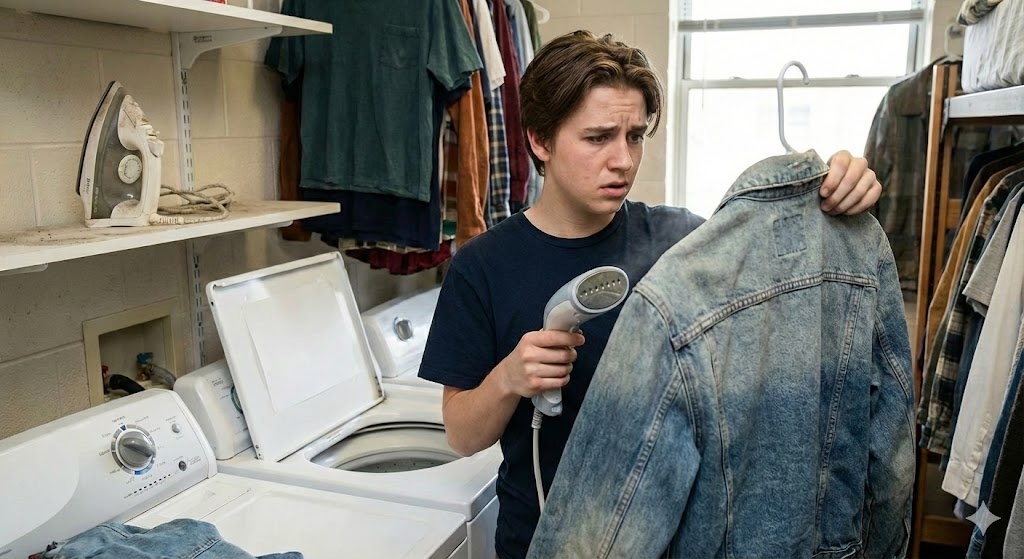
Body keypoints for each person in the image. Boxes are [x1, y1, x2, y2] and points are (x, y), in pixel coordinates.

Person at [417, 30, 883, 559]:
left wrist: (834, 195)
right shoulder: (482, 266)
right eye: (598, 138)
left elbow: (781, 266)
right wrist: (508, 378)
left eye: (635, 136)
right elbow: (462, 436)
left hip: (671, 539)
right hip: (540, 537)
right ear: (540, 141)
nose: (623, 160)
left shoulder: (682, 241)